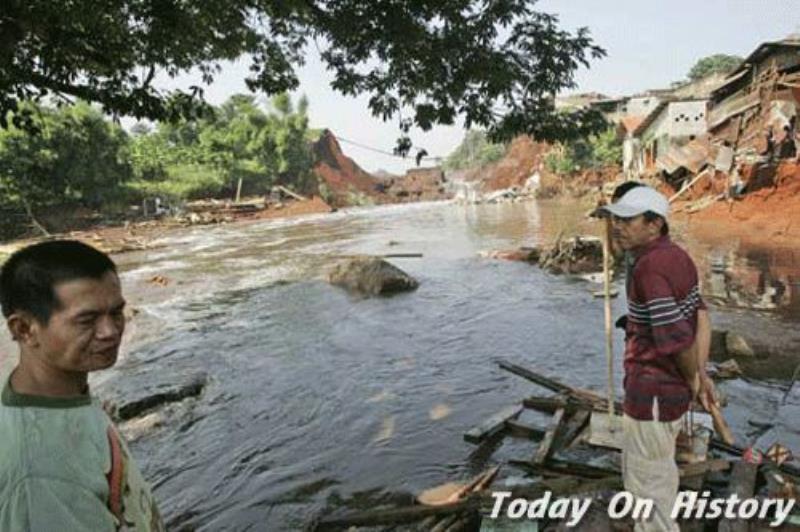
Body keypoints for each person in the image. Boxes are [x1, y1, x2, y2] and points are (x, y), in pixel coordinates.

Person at [0, 240, 163, 531]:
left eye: (116, 313)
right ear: (24, 329)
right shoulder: (40, 477)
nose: (110, 332)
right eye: (87, 320)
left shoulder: (56, 392)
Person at [597, 187, 712, 532]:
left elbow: (678, 340)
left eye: (627, 219)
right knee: (660, 475)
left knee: (647, 492)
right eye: (616, 219)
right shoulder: (677, 256)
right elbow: (700, 315)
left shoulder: (650, 268)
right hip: (671, 392)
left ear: (654, 224)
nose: (618, 226)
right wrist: (700, 376)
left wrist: (695, 380)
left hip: (654, 394)